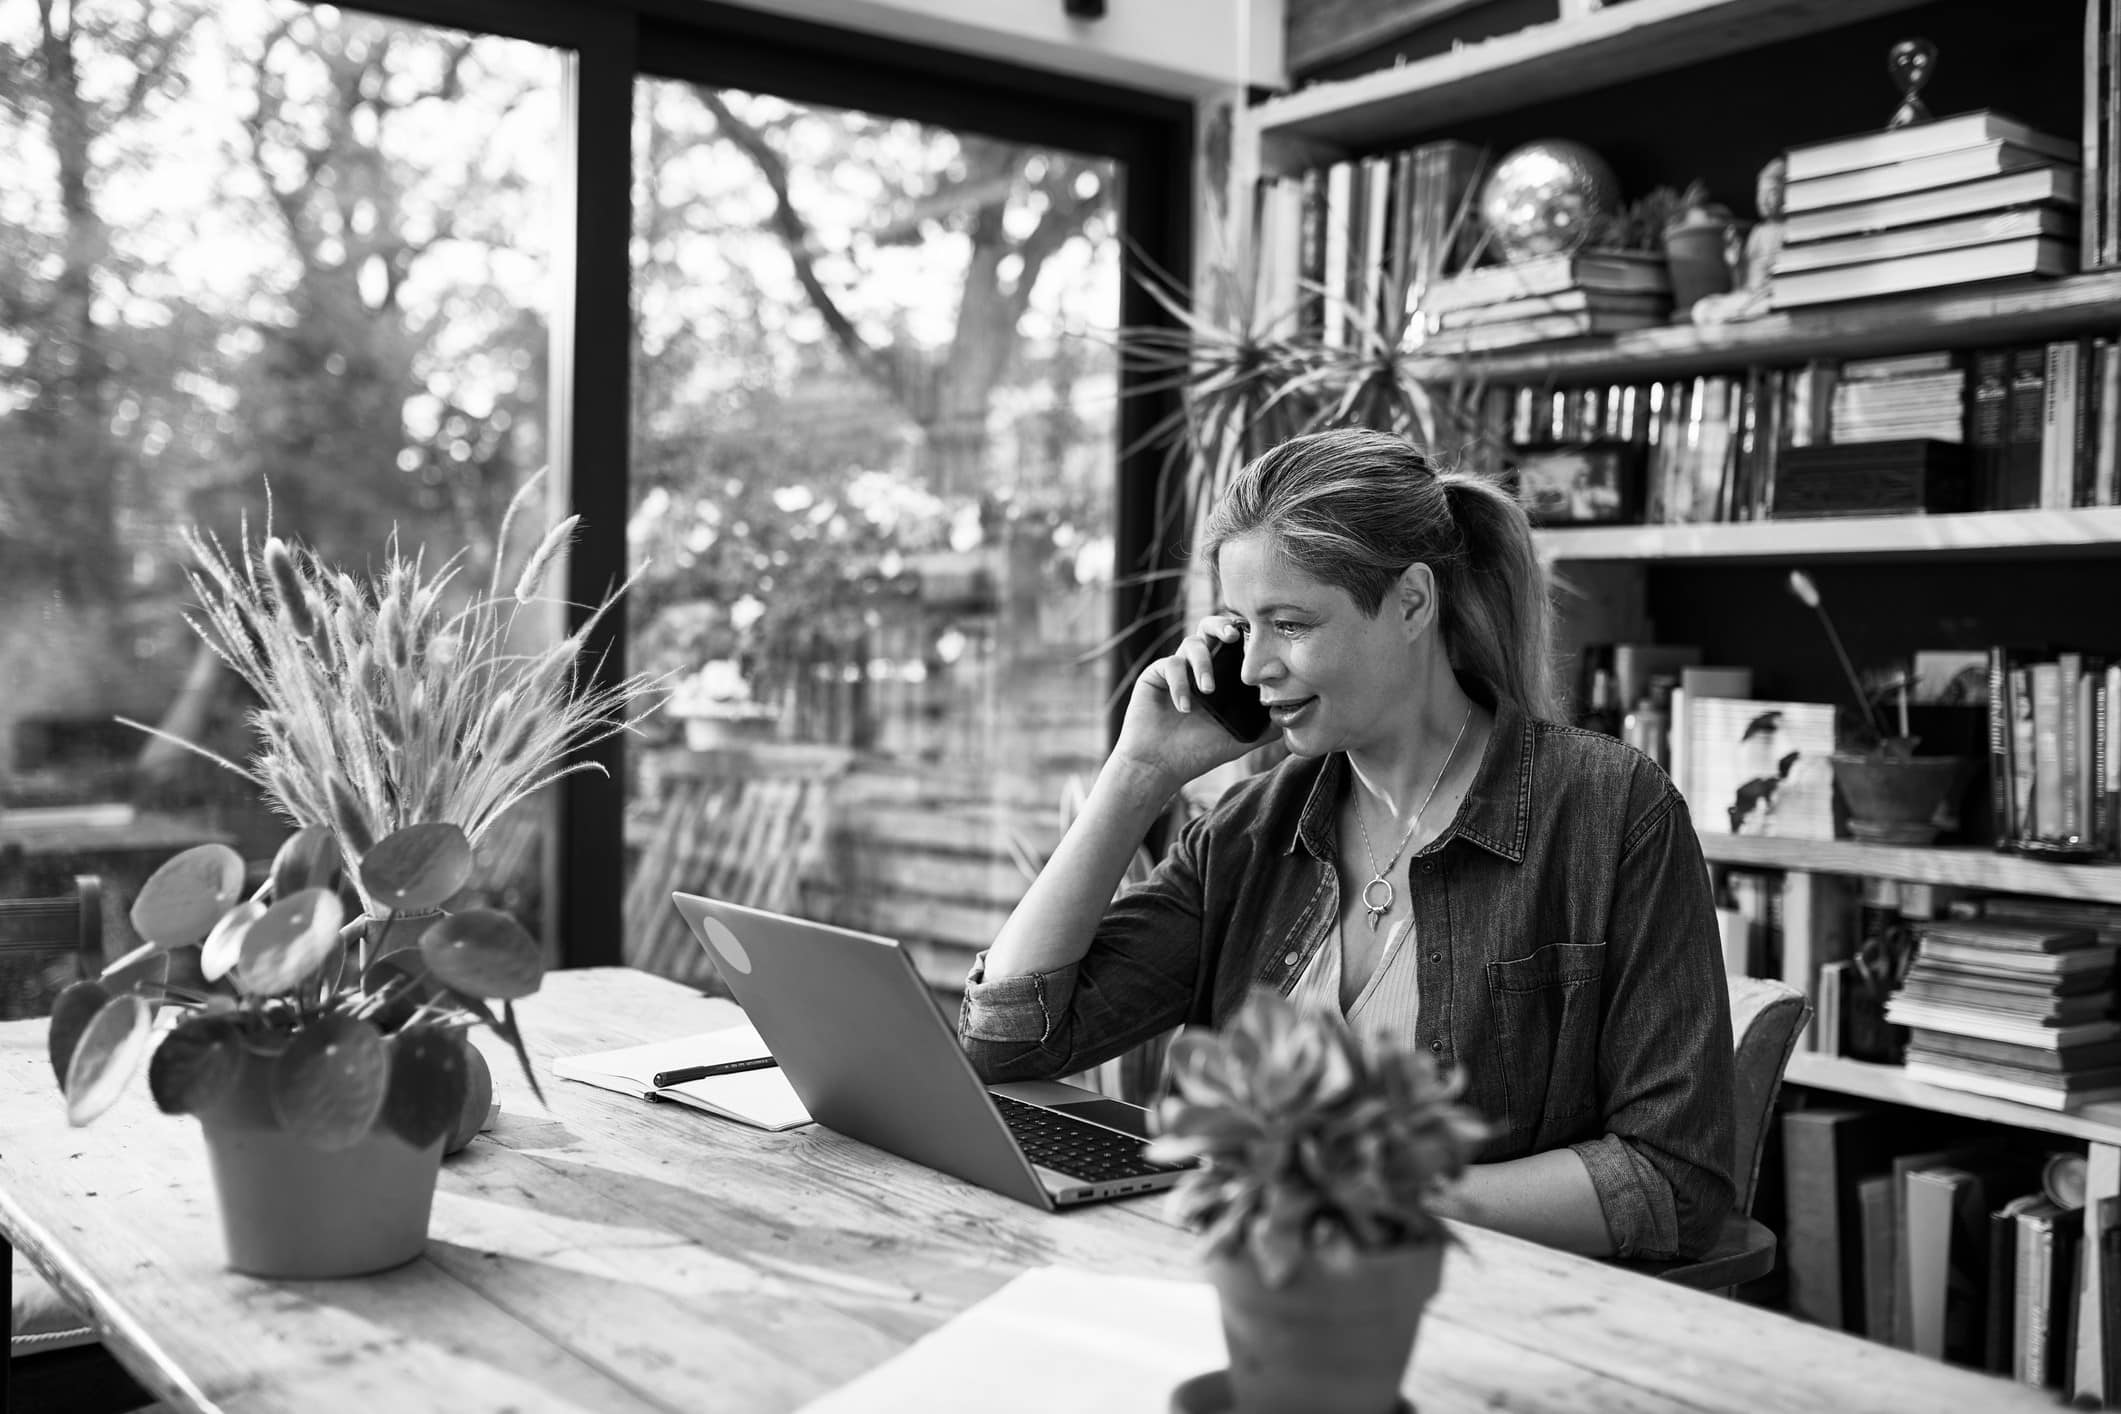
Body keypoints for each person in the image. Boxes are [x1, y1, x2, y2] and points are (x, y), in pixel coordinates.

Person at [958, 427, 1735, 1261]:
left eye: (1289, 624)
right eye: (1238, 626)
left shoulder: (1607, 809)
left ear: (1409, 602)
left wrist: (1366, 1193)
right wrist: (1138, 772)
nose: (1254, 666)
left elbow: (1669, 1183)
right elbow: (1008, 1043)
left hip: (1480, 1319)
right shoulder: (1251, 831)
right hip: (1244, 1294)